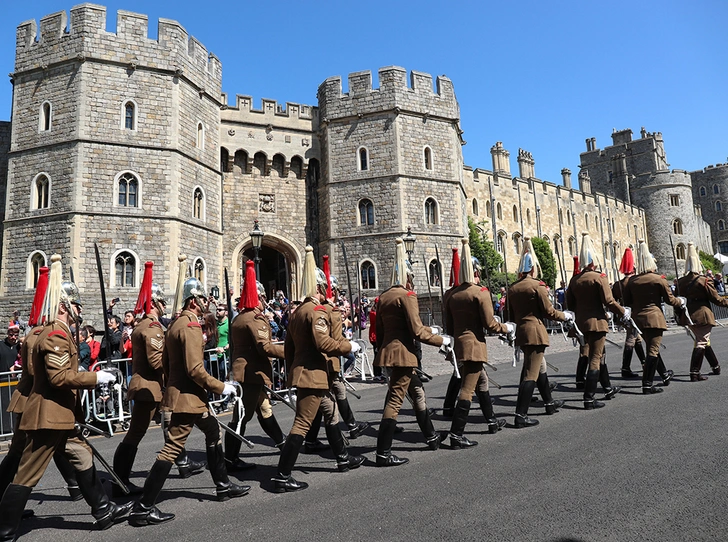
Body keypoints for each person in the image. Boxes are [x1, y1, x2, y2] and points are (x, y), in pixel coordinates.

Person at [0, 255, 131, 540]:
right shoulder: (57, 335)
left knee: (82, 455)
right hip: (48, 415)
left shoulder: (50, 332)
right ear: (62, 306)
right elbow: (59, 378)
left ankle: (103, 509)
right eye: (74, 305)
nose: (78, 311)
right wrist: (96, 378)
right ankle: (5, 530)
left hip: (60, 414)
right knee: (27, 473)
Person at [128, 277, 247, 526]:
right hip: (187, 397)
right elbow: (194, 369)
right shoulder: (190, 326)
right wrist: (222, 386)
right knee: (171, 449)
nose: (206, 304)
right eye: (203, 299)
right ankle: (143, 507)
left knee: (213, 432)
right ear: (194, 300)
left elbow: (168, 364)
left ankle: (223, 485)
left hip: (187, 395)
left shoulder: (174, 324)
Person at [272, 247, 364, 493]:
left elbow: (289, 349)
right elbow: (323, 343)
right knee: (302, 424)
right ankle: (282, 475)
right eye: (324, 289)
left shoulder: (297, 313)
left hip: (307, 374)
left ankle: (343, 458)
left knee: (331, 411)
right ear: (320, 288)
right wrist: (347, 346)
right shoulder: (316, 312)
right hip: (313, 375)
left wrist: (293, 371)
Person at [112, 262, 204, 498]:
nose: (164, 306)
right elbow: (156, 362)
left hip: (150, 387)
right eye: (161, 302)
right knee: (135, 434)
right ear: (153, 303)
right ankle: (120, 480)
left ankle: (182, 463)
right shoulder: (152, 328)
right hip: (148, 388)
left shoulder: (148, 325)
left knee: (168, 425)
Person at [0, 265, 84, 520]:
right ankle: (6, 520)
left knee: (60, 449)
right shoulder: (44, 334)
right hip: (37, 402)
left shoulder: (41, 332)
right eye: (75, 306)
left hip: (38, 403)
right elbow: (42, 374)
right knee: (26, 461)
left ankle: (88, 495)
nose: (78, 311)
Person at [374, 238, 449, 466]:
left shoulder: (384, 297)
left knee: (417, 393)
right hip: (403, 355)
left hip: (388, 354)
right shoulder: (407, 296)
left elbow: (380, 330)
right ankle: (383, 453)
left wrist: (430, 330)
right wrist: (440, 340)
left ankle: (431, 436)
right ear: (407, 276)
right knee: (395, 401)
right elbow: (416, 330)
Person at [443, 240, 512, 448]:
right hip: (474, 347)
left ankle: (491, 421)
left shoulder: (450, 294)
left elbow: (448, 325)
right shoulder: (480, 292)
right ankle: (456, 435)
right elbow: (490, 324)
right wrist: (506, 328)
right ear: (475, 272)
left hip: (459, 346)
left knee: (482, 381)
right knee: (467, 390)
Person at [225, 261, 287, 471]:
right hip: (252, 374)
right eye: (262, 297)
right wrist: (292, 352)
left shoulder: (239, 318)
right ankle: (230, 459)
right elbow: (265, 347)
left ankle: (282, 444)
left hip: (247, 373)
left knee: (265, 409)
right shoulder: (255, 319)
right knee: (242, 417)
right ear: (259, 297)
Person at [508, 238, 571, 427]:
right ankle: (521, 415)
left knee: (539, 368)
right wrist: (565, 316)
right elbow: (549, 312)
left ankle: (549, 404)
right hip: (535, 332)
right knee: (530, 373)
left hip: (522, 331)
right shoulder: (537, 286)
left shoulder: (513, 288)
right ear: (533, 268)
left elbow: (508, 312)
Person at [566, 233, 625, 410]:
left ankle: (607, 388)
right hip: (597, 322)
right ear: (593, 262)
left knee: (598, 355)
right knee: (595, 358)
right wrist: (622, 312)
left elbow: (570, 304)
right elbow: (608, 301)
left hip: (581, 324)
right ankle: (589, 398)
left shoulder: (574, 280)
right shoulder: (599, 277)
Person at [623, 240, 685, 395]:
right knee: (653, 350)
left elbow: (627, 301)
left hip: (639, 319)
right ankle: (647, 384)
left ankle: (664, 374)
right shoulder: (658, 279)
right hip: (655, 317)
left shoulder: (631, 281)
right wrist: (682, 301)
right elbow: (671, 300)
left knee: (652, 347)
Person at [678, 243, 728, 380]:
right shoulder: (704, 281)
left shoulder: (681, 281)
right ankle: (694, 373)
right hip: (702, 314)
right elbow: (716, 299)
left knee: (704, 340)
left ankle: (715, 366)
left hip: (688, 315)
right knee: (701, 341)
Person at [612, 247, 646, 378]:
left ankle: (644, 363)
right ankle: (625, 368)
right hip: (634, 313)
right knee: (631, 339)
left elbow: (613, 300)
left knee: (637, 338)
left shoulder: (617, 284)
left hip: (623, 312)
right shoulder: (636, 282)